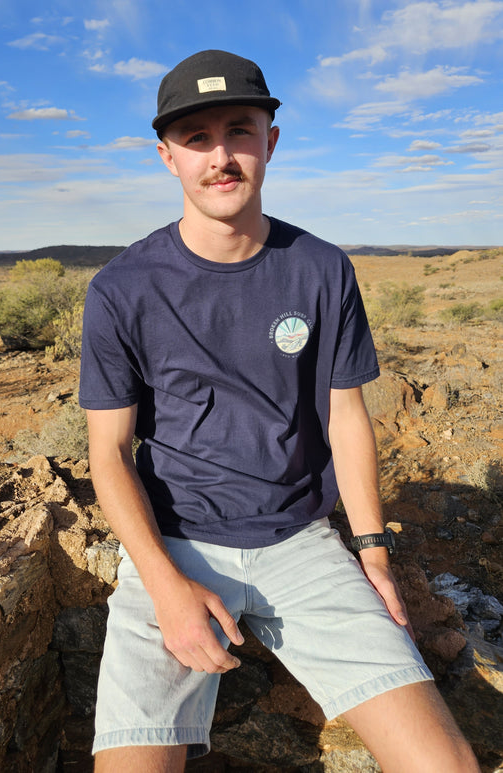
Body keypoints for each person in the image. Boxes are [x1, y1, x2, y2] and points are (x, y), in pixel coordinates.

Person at [79, 50, 480, 773]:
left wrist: (373, 551)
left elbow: (345, 415)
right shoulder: (121, 289)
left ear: (271, 139)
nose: (221, 154)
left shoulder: (321, 268)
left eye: (240, 128)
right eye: (197, 137)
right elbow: (108, 452)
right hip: (174, 543)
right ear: (167, 156)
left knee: (443, 763)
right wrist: (167, 589)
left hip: (301, 542)